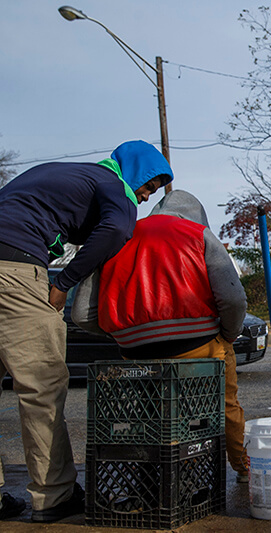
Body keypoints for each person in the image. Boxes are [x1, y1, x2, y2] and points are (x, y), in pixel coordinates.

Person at [0, 140, 173, 522]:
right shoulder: (114, 185)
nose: (144, 199)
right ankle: (54, 495)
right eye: (147, 187)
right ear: (134, 172)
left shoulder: (62, 174)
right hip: (13, 269)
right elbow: (116, 228)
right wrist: (66, 282)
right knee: (40, 387)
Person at [72, 189, 249, 482]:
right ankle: (242, 466)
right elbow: (233, 300)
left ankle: (151, 474)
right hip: (199, 345)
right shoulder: (199, 234)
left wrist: (125, 333)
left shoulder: (118, 235)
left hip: (135, 353)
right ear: (198, 216)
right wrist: (228, 334)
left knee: (149, 412)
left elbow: (81, 315)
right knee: (224, 404)